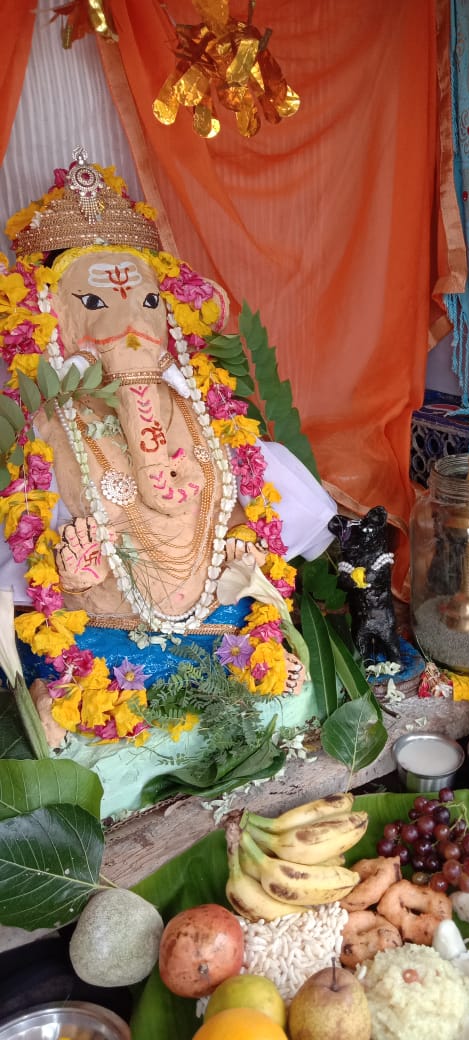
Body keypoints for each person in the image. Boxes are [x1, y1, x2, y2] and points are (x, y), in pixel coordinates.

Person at [0, 148, 336, 741]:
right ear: (54, 315)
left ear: (169, 310)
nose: (130, 325)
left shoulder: (200, 407)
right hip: (107, 625)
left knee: (274, 660)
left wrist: (243, 548)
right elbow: (33, 559)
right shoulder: (47, 426)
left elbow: (237, 499)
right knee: (73, 666)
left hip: (216, 614)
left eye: (147, 303)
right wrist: (75, 573)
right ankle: (72, 694)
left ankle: (242, 663)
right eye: (97, 304)